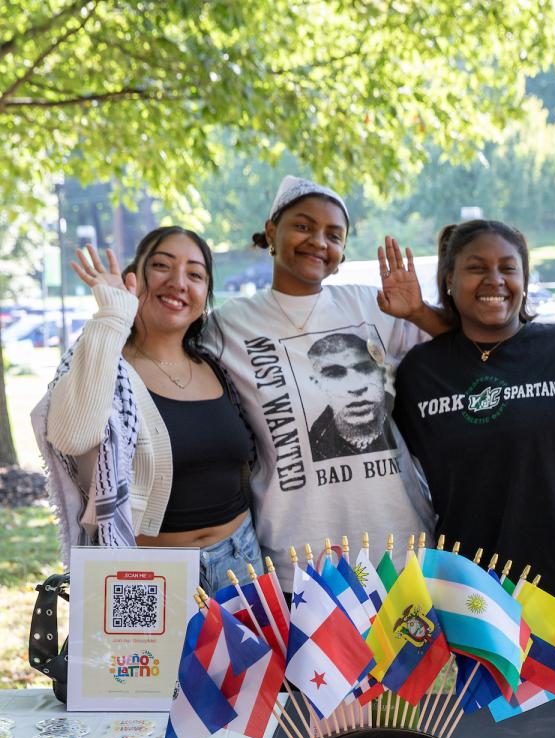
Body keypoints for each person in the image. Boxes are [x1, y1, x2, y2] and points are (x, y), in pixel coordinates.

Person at [393, 219, 555, 694]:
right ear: (448, 281)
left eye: (508, 268)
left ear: (525, 280)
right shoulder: (419, 373)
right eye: (476, 268)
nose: (494, 280)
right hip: (483, 595)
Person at [211, 176, 449, 592]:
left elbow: (470, 348)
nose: (318, 242)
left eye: (333, 235)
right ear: (272, 230)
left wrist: (418, 313)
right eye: (303, 226)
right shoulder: (229, 324)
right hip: (297, 559)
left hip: (400, 547)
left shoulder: (371, 306)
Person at [33, 228, 261, 594]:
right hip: (147, 575)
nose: (178, 282)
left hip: (240, 562)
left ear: (205, 296)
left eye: (196, 274)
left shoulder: (217, 366)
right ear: (133, 277)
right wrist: (112, 316)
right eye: (161, 265)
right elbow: (69, 435)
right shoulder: (101, 359)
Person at [306, 332, 396, 460]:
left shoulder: (406, 411)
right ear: (318, 384)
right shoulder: (314, 442)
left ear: (381, 374)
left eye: (365, 368)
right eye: (334, 373)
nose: (356, 387)